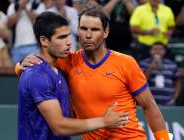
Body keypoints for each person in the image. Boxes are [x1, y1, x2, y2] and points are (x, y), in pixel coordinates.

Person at [16, 3, 170, 140]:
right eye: (83, 29)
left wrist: (162, 138)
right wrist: (20, 65)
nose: (88, 35)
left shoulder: (126, 63)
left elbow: (149, 106)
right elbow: (38, 69)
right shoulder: (66, 61)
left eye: (94, 29)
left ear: (105, 32)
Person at [18, 11, 130, 140]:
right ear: (44, 40)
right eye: (61, 37)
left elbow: (69, 118)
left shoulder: (58, 71)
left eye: (68, 36)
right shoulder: (38, 76)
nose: (68, 43)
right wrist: (104, 121)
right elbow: (59, 126)